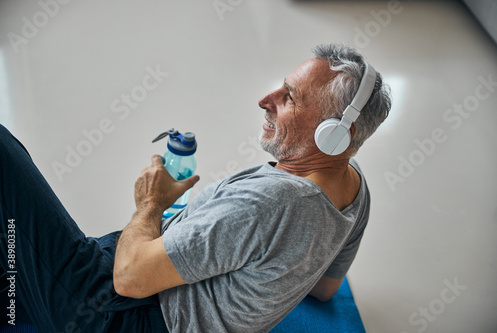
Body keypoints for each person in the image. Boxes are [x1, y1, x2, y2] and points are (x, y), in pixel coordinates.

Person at [0, 43, 391, 332]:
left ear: (337, 134)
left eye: (289, 98)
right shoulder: (354, 186)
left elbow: (130, 278)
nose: (265, 100)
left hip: (113, 311)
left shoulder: (271, 203)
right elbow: (325, 288)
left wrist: (150, 204)